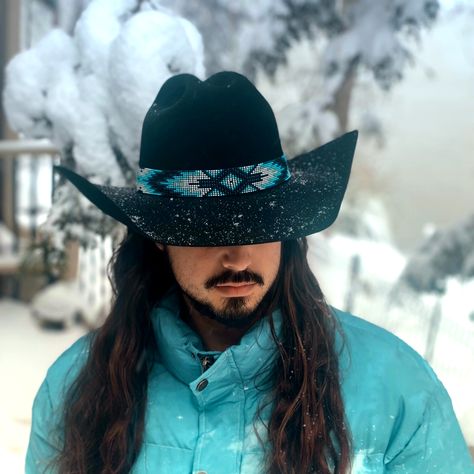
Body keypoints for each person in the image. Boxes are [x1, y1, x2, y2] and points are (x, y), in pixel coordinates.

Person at [26, 71, 473, 474]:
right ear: (158, 235)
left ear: (287, 228)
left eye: (261, 224)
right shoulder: (77, 389)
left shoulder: (396, 389)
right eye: (205, 230)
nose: (238, 257)